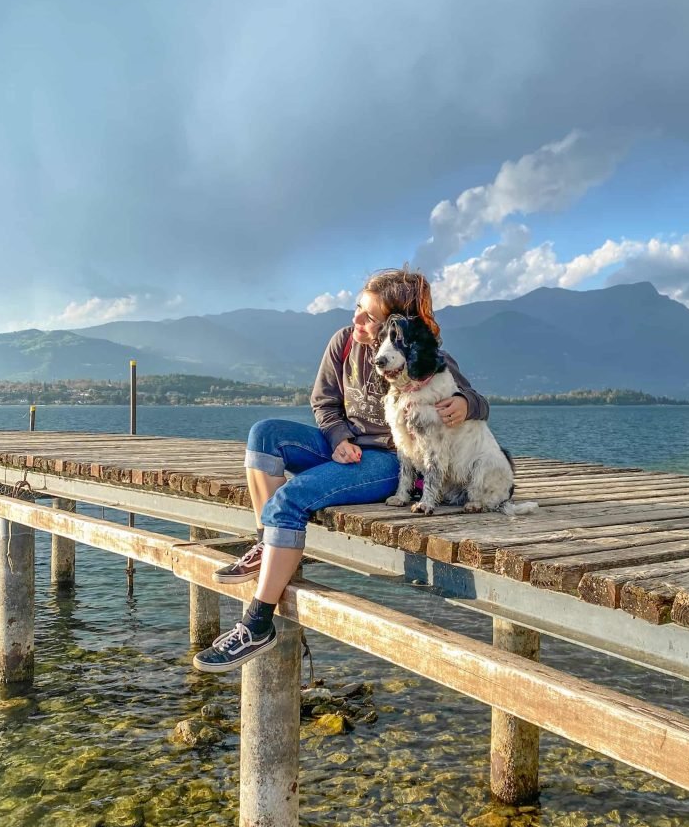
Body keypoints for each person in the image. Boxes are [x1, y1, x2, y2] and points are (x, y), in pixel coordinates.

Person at [192, 268, 489, 673]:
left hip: (387, 461)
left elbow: (473, 397)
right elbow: (324, 403)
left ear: (393, 324)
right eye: (358, 309)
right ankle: (269, 543)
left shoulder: (420, 353)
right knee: (265, 435)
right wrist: (337, 439)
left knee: (289, 500)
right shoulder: (343, 343)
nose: (357, 321)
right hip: (342, 448)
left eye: (369, 316)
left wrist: (467, 406)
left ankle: (257, 624)